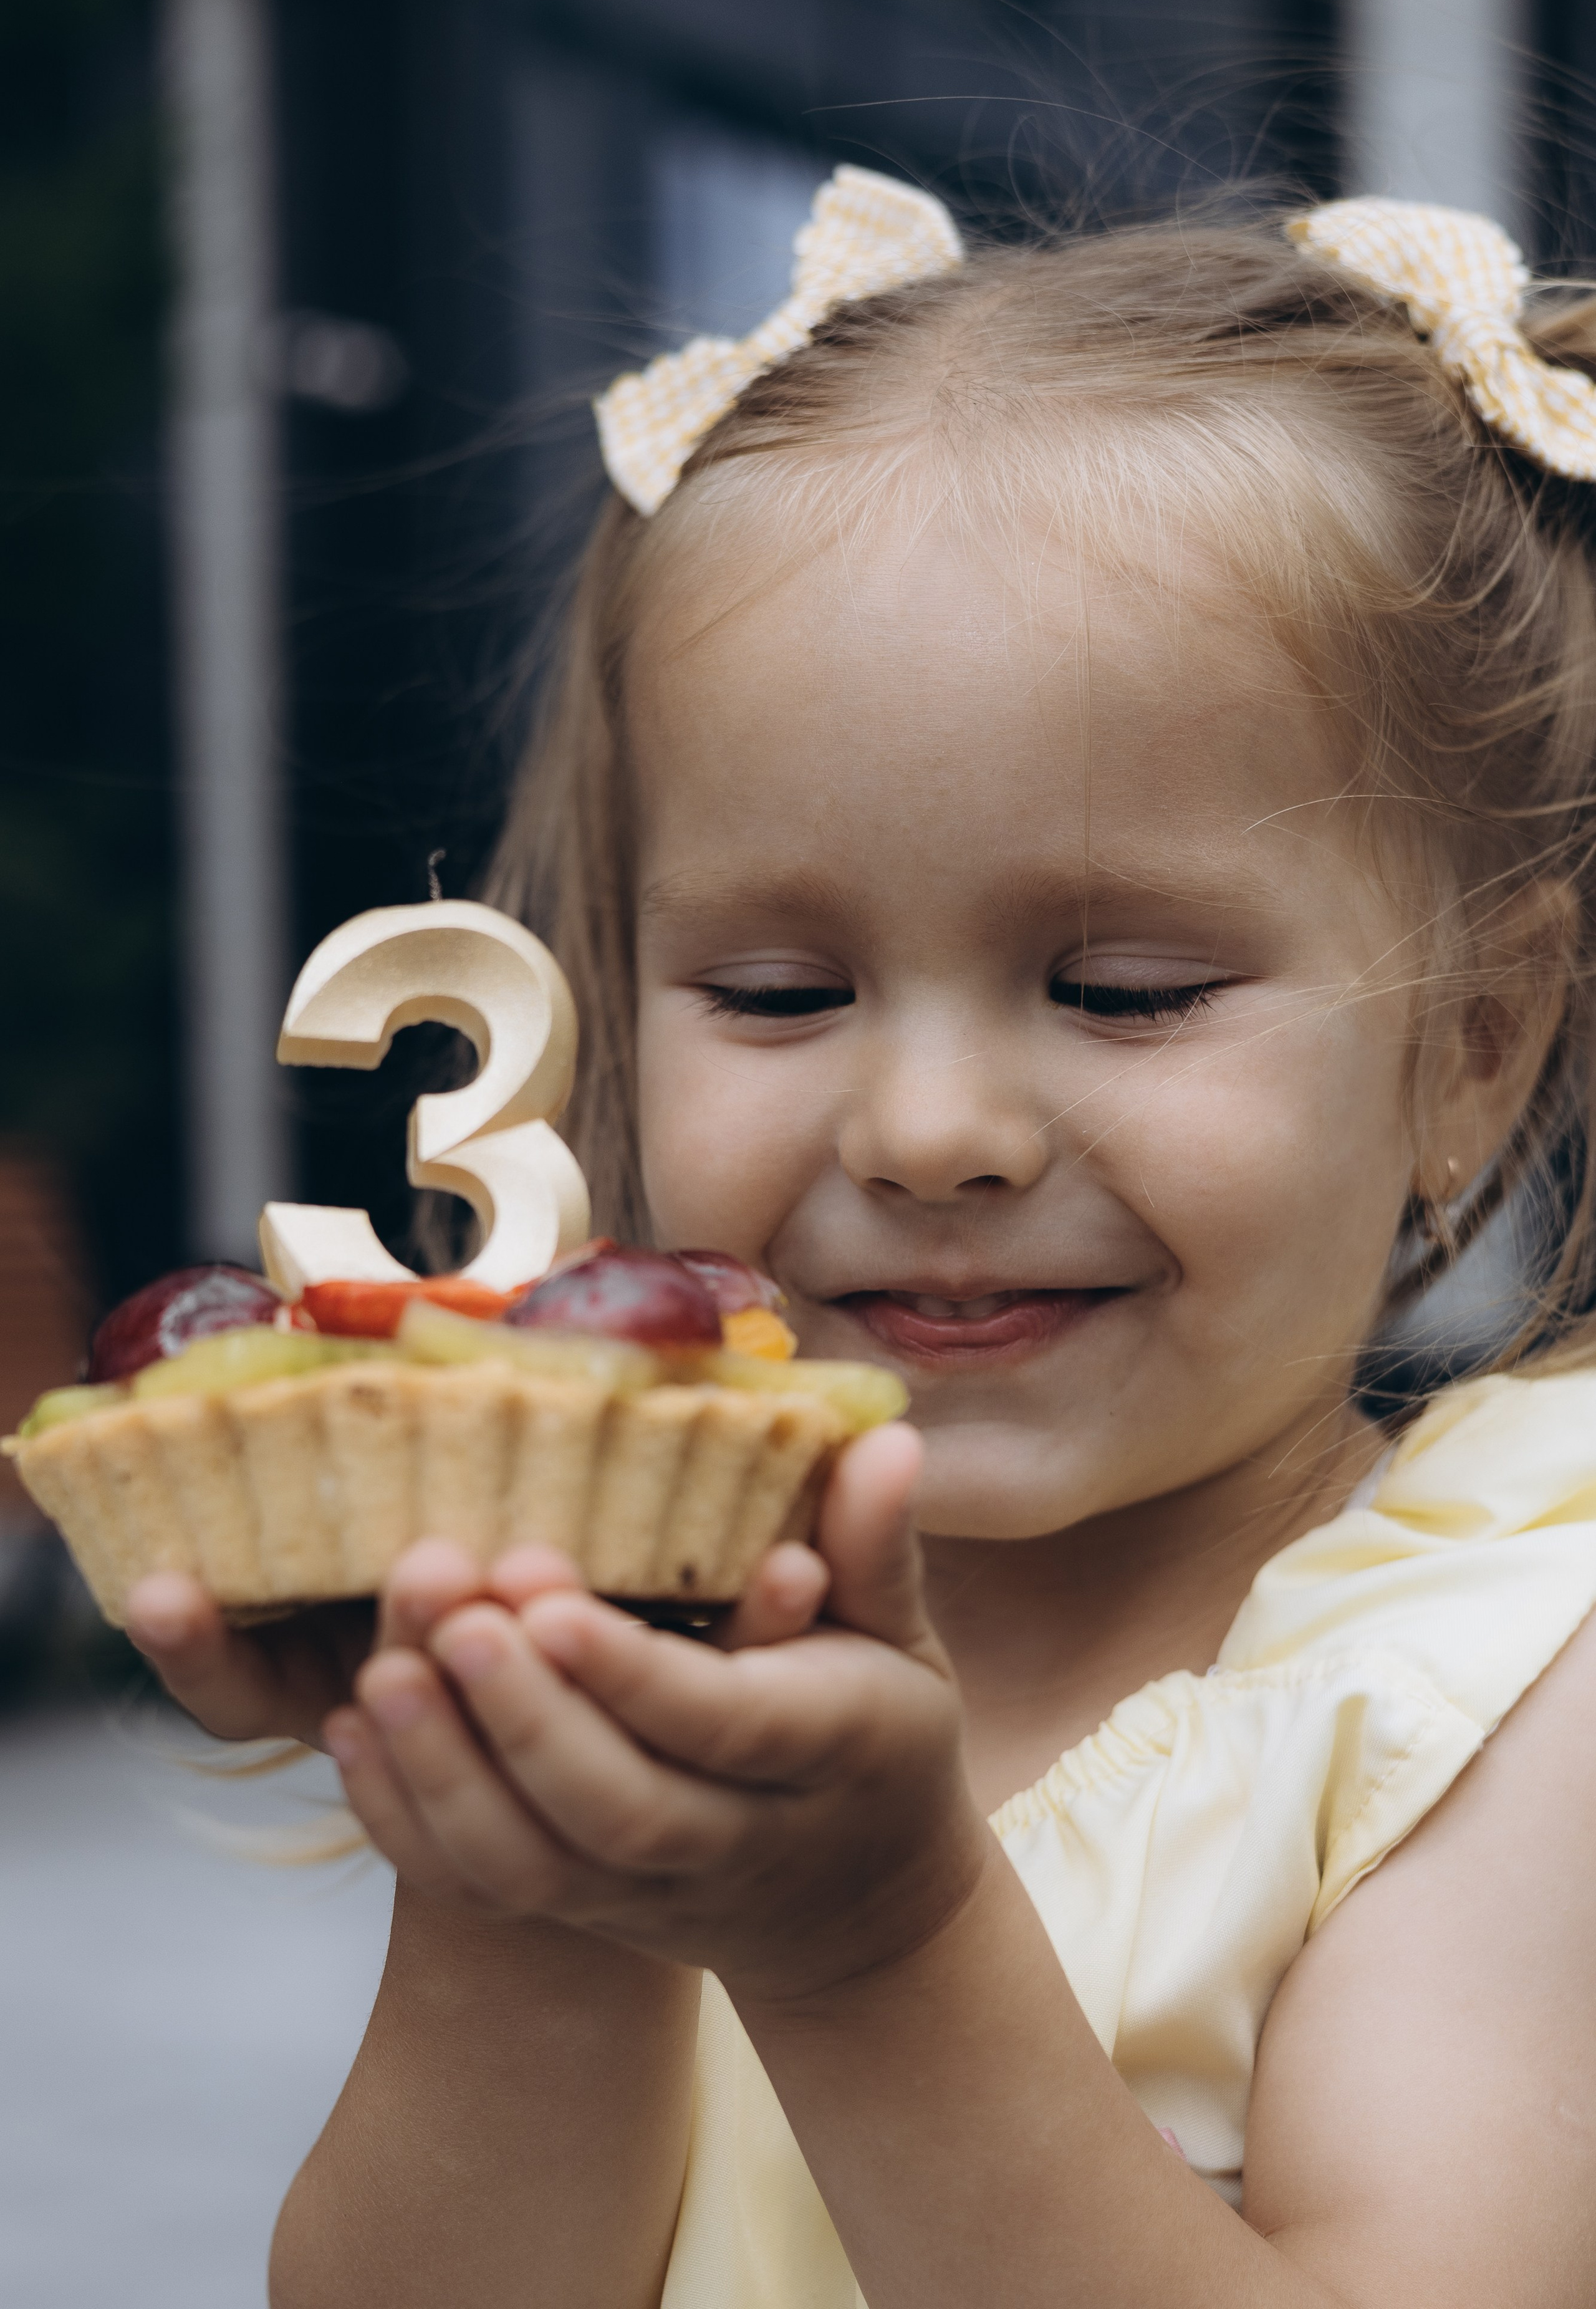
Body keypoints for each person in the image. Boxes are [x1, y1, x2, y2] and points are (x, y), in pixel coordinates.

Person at [127, 173, 1596, 2308]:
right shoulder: (639, 1603)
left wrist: (883, 1956)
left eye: (1122, 990)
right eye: (783, 996)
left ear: (1472, 1047)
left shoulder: (1506, 1677)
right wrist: (521, 1894)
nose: (927, 1134)